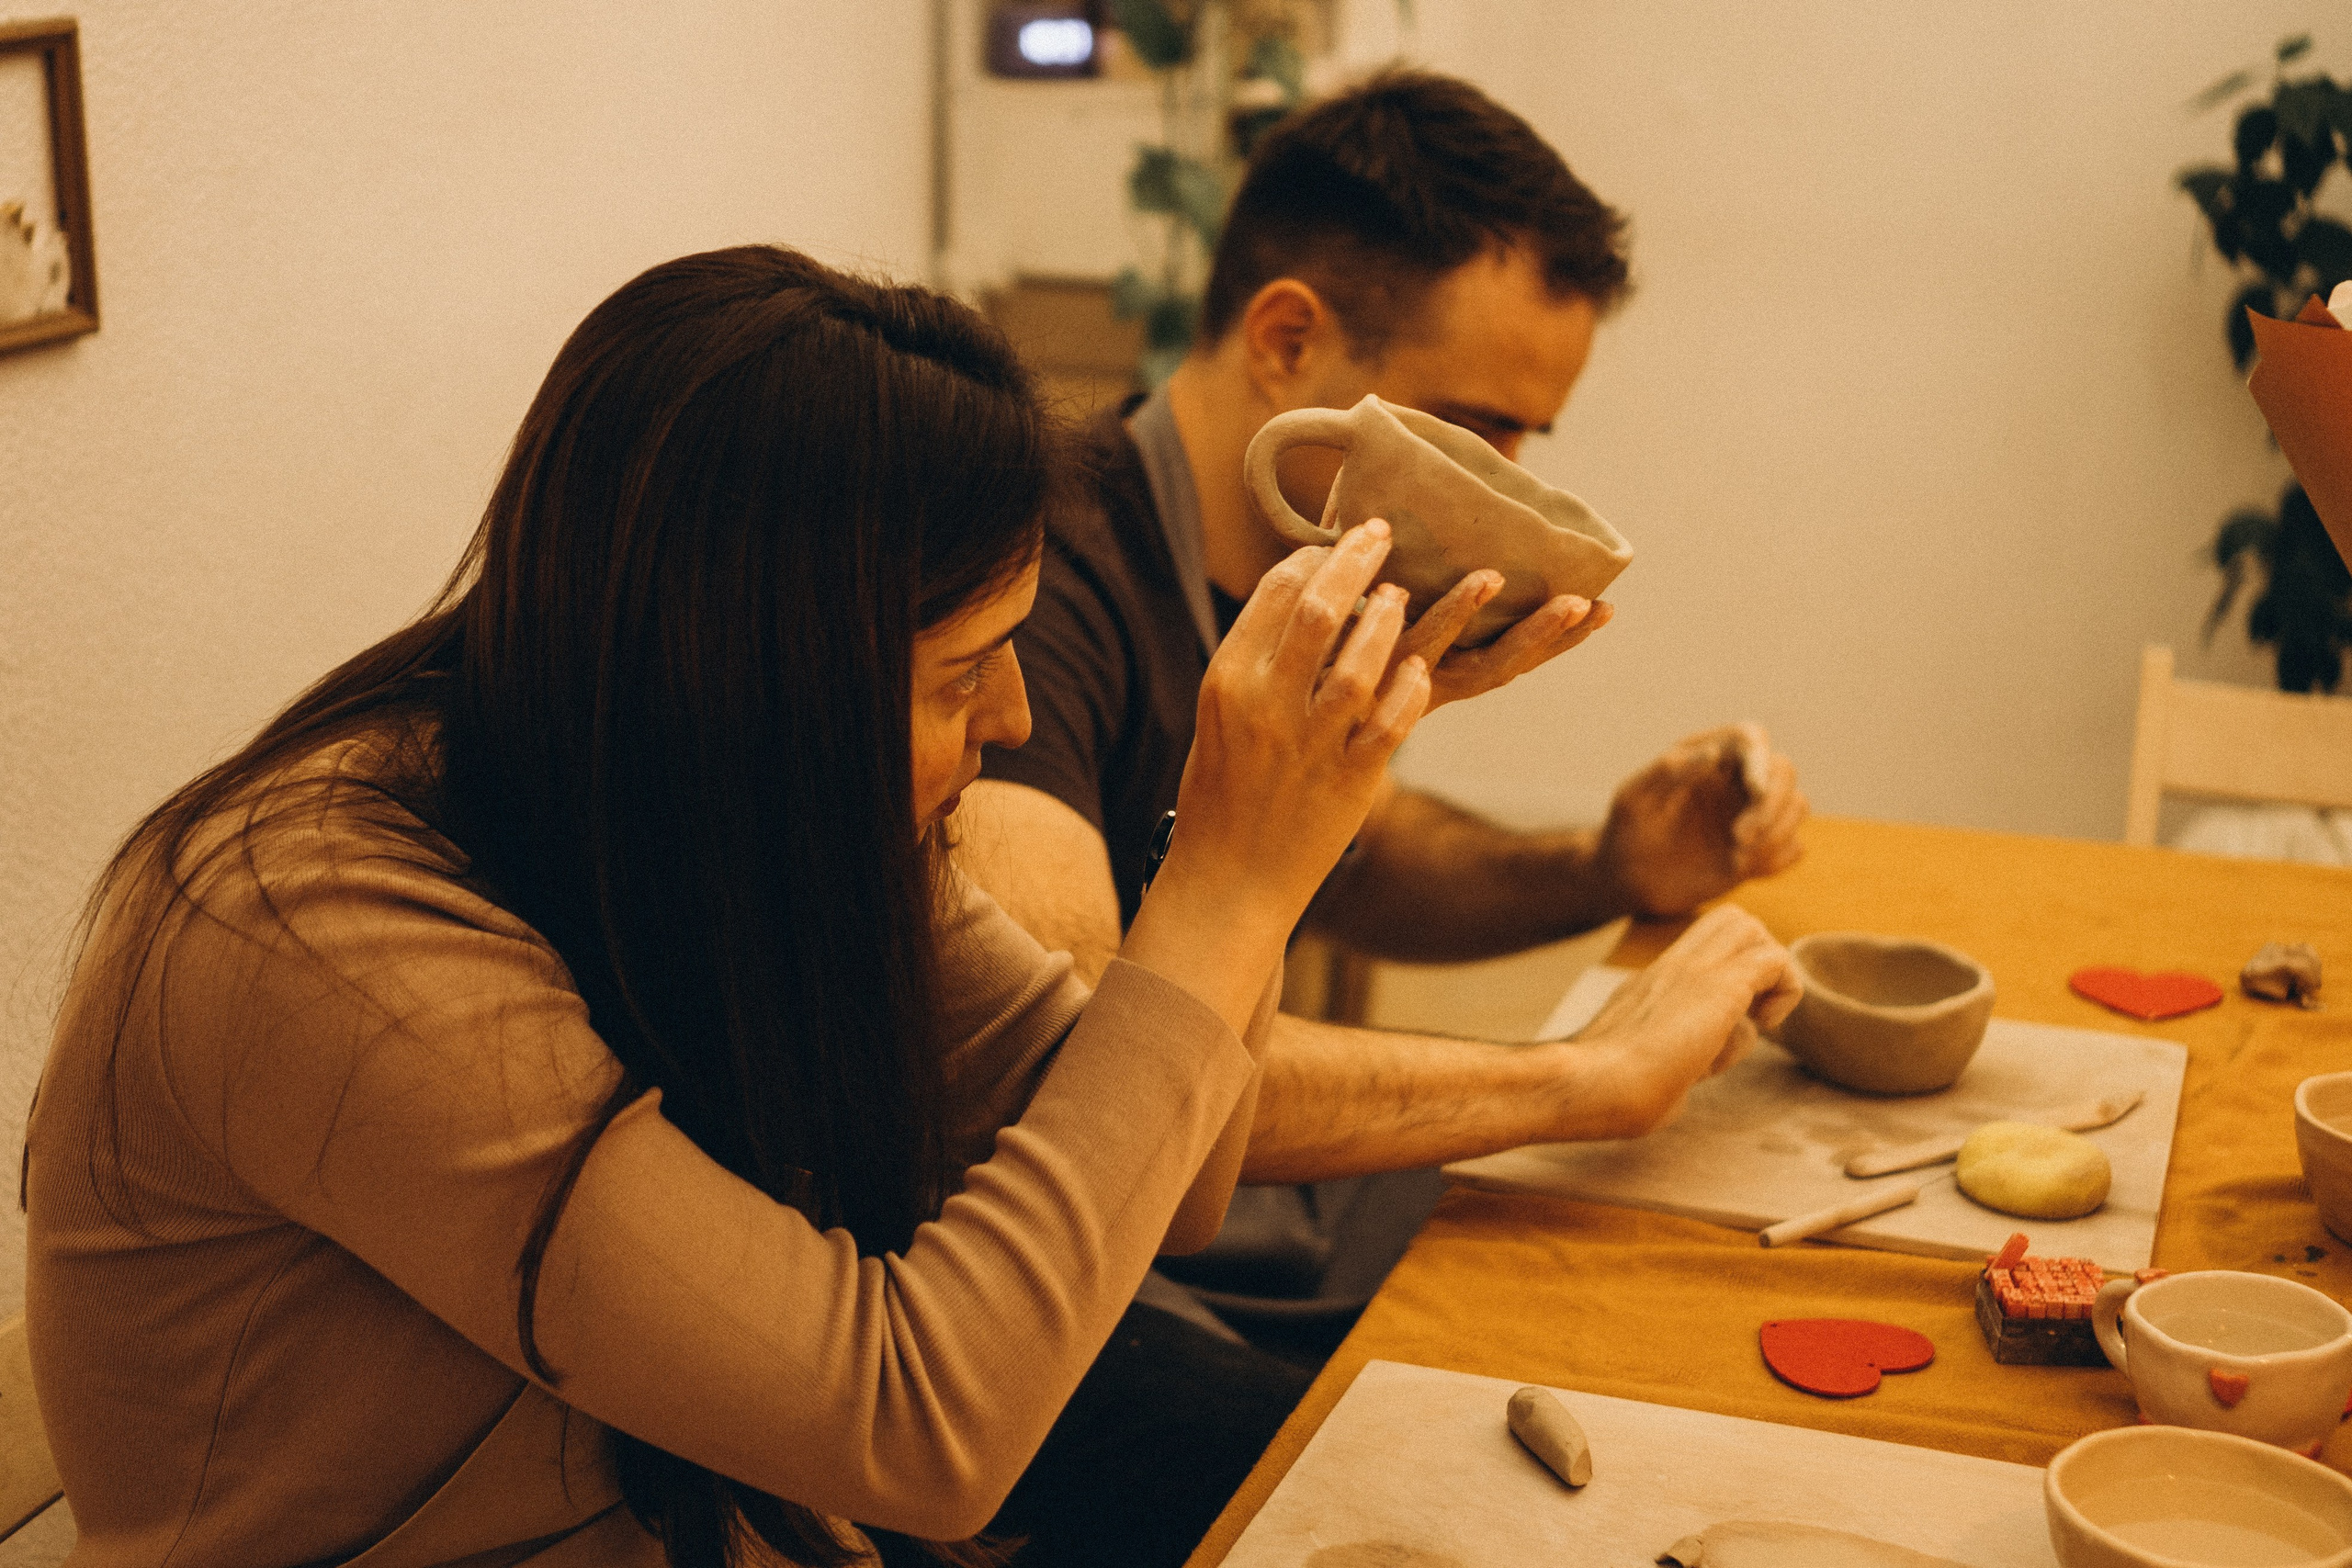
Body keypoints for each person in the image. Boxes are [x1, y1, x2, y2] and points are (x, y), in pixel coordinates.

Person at [18, 247, 1628, 1566]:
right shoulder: (315, 935)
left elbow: (1175, 1188)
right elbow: (923, 1431)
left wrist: (1291, 819)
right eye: (956, 672)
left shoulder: (746, 803)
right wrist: (1224, 873)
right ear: (756, 676)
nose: (1007, 720)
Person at [954, 69, 1813, 1357]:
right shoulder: (1042, 581)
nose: (1511, 491)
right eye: (1471, 428)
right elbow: (1078, 1070)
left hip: (1221, 1215)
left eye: (1530, 442)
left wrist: (1608, 865)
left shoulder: (1285, 573)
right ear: (1288, 341)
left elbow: (1357, 866)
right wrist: (1580, 1076)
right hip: (1053, 1288)